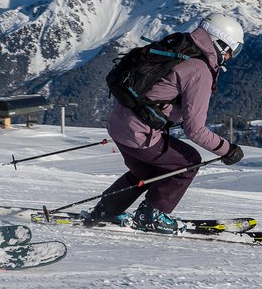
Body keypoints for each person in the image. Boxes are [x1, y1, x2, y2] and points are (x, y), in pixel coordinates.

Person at [87, 13, 246, 233]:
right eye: (231, 50)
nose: (229, 57)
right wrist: (228, 150)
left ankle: (106, 210)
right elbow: (196, 130)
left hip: (119, 123)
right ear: (219, 43)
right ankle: (153, 215)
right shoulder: (200, 70)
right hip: (139, 132)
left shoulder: (179, 47)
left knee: (149, 172)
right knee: (188, 162)